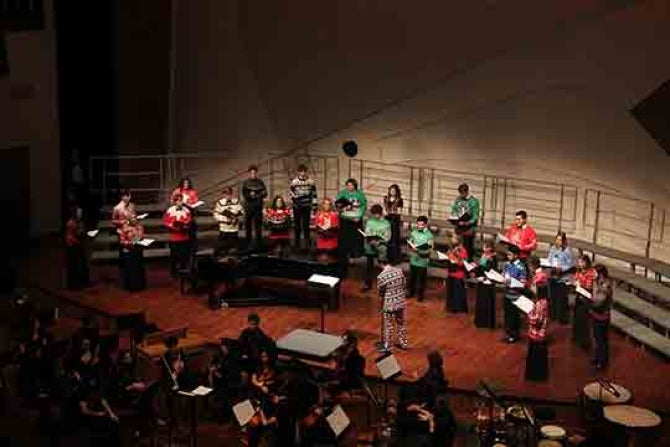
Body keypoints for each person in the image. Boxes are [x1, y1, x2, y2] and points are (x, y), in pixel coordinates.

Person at [377, 256, 408, 353]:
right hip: (400, 301)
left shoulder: (381, 276)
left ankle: (387, 346)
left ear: (381, 263)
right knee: (400, 322)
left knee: (388, 324)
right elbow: (404, 284)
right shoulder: (399, 271)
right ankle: (404, 343)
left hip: (389, 303)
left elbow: (380, 291)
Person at [335, 178, 367, 264]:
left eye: (351, 185)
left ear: (355, 186)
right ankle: (344, 254)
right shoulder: (343, 193)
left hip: (356, 219)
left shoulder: (360, 194)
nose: (349, 187)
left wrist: (359, 216)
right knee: (344, 237)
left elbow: (364, 206)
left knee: (355, 237)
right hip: (345, 219)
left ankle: (355, 254)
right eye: (348, 185)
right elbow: (337, 204)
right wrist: (342, 209)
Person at [163, 193, 193, 278]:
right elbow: (166, 222)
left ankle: (183, 273)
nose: (180, 202)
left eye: (181, 200)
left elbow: (189, 221)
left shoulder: (186, 210)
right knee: (174, 257)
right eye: (178, 201)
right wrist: (173, 225)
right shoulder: (170, 210)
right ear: (175, 201)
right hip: (174, 238)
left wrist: (185, 225)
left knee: (184, 256)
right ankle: (173, 273)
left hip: (184, 237)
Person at [362, 204, 392, 291]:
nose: (376, 216)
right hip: (370, 244)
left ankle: (384, 285)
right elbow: (367, 232)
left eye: (378, 214)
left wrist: (379, 241)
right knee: (368, 265)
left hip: (381, 245)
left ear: (381, 213)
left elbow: (388, 237)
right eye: (374, 214)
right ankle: (367, 284)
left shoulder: (386, 223)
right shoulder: (369, 221)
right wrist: (370, 239)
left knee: (383, 265)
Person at [547, 231, 574, 324]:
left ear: (564, 241)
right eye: (557, 239)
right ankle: (553, 315)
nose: (558, 242)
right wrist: (551, 266)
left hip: (562, 277)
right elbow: (549, 259)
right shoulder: (553, 249)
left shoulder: (567, 251)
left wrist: (561, 269)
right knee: (552, 297)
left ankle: (562, 318)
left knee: (561, 298)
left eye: (560, 240)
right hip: (553, 275)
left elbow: (570, 264)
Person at [289, 164, 318, 250]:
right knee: (297, 225)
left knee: (306, 226)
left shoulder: (311, 182)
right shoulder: (294, 182)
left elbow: (314, 194)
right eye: (301, 171)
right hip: (297, 206)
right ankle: (296, 243)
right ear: (298, 172)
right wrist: (293, 197)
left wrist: (315, 206)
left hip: (307, 206)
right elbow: (291, 192)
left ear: (306, 172)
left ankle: (307, 242)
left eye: (304, 171)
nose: (302, 173)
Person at [502, 246, 527, 343]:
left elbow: (523, 282)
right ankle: (508, 333)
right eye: (507, 254)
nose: (508, 257)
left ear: (516, 255)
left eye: (510, 255)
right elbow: (504, 274)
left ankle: (514, 334)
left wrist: (511, 282)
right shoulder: (507, 264)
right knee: (507, 315)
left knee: (514, 316)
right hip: (507, 293)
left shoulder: (520, 266)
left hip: (515, 295)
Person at [590, 264, 613, 370]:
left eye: (594, 272)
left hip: (602, 315)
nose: (592, 274)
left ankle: (603, 361)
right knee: (596, 337)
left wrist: (590, 300)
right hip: (595, 314)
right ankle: (598, 357)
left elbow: (599, 300)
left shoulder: (606, 284)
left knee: (602, 339)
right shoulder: (596, 282)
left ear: (601, 274)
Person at [450, 183, 480, 260]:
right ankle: (456, 260)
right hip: (459, 226)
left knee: (467, 248)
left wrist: (467, 222)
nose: (461, 195)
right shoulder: (458, 199)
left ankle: (467, 262)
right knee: (455, 245)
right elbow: (453, 210)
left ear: (467, 192)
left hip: (468, 228)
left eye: (462, 193)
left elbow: (475, 216)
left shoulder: (474, 201)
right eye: (460, 193)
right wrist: (454, 217)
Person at [407, 216, 433, 302]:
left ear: (426, 225)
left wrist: (420, 250)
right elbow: (410, 242)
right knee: (412, 278)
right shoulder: (414, 232)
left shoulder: (429, 235)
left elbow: (430, 248)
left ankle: (420, 295)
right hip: (414, 259)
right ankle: (410, 292)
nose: (419, 226)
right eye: (418, 224)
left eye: (422, 225)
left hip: (423, 260)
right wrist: (410, 246)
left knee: (421, 279)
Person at [525, 287, 549, 382]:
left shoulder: (540, 304)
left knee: (535, 356)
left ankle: (535, 375)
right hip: (541, 333)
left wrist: (529, 312)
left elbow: (536, 320)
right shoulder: (544, 302)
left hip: (536, 334)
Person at [242, 165, 268, 249]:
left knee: (258, 227)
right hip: (249, 207)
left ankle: (259, 243)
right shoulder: (246, 182)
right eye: (251, 173)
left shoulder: (260, 182)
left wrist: (257, 194)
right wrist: (250, 195)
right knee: (248, 227)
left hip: (258, 207)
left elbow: (265, 193)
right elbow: (244, 194)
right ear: (249, 173)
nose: (253, 174)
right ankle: (248, 243)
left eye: (254, 173)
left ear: (256, 173)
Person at [212, 186, 244, 256]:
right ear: (223, 194)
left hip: (234, 229)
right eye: (226, 194)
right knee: (222, 247)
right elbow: (215, 215)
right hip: (224, 229)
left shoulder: (236, 202)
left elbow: (242, 212)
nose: (228, 196)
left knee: (233, 248)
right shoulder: (220, 203)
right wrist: (226, 219)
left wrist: (236, 218)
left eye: (230, 194)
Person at [573, 254, 596, 350]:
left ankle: (584, 341)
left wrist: (580, 285)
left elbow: (589, 286)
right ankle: (577, 337)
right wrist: (575, 283)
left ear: (587, 262)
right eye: (579, 262)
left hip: (586, 298)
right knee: (577, 318)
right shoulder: (579, 271)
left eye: (582, 262)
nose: (580, 264)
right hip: (579, 296)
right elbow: (576, 278)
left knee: (584, 320)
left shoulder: (591, 272)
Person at [117, 216, 146, 291]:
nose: (133, 220)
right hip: (128, 250)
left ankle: (139, 285)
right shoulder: (124, 228)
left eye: (135, 218)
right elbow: (122, 240)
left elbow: (141, 236)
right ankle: (129, 285)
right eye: (131, 218)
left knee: (138, 267)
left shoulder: (140, 227)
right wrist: (128, 243)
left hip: (137, 249)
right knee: (129, 268)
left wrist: (135, 241)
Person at [172, 177, 200, 252]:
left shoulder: (192, 191)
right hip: (180, 212)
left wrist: (191, 204)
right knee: (182, 230)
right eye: (184, 183)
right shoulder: (177, 191)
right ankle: (183, 247)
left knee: (192, 230)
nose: (186, 185)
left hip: (190, 211)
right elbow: (172, 200)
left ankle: (193, 247)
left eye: (187, 183)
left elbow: (196, 201)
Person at [65, 206, 90, 290]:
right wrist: (76, 241)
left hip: (79, 245)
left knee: (82, 263)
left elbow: (82, 232)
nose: (80, 214)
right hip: (73, 246)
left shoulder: (80, 223)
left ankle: (84, 281)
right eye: (79, 213)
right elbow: (69, 237)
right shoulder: (71, 223)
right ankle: (73, 285)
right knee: (73, 265)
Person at [474, 240, 496, 329]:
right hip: (481, 281)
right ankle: (480, 321)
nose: (484, 249)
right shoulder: (483, 256)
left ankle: (487, 322)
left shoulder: (493, 258)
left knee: (487, 302)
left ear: (490, 248)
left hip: (488, 282)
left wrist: (485, 277)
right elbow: (481, 267)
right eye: (484, 247)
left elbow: (492, 271)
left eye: (486, 247)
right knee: (480, 301)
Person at [445, 233, 468, 314]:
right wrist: (448, 255)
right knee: (451, 291)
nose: (452, 240)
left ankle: (458, 308)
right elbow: (449, 256)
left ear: (458, 240)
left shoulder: (462, 250)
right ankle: (451, 306)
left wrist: (455, 258)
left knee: (457, 292)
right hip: (451, 272)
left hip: (458, 274)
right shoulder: (451, 248)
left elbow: (463, 263)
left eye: (453, 238)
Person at [383, 184, 404, 263]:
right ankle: (386, 257)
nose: (392, 192)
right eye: (391, 190)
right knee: (386, 238)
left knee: (393, 239)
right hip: (386, 220)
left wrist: (391, 212)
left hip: (394, 221)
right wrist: (385, 212)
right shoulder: (386, 198)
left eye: (394, 191)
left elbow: (399, 212)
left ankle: (394, 259)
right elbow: (384, 208)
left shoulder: (399, 200)